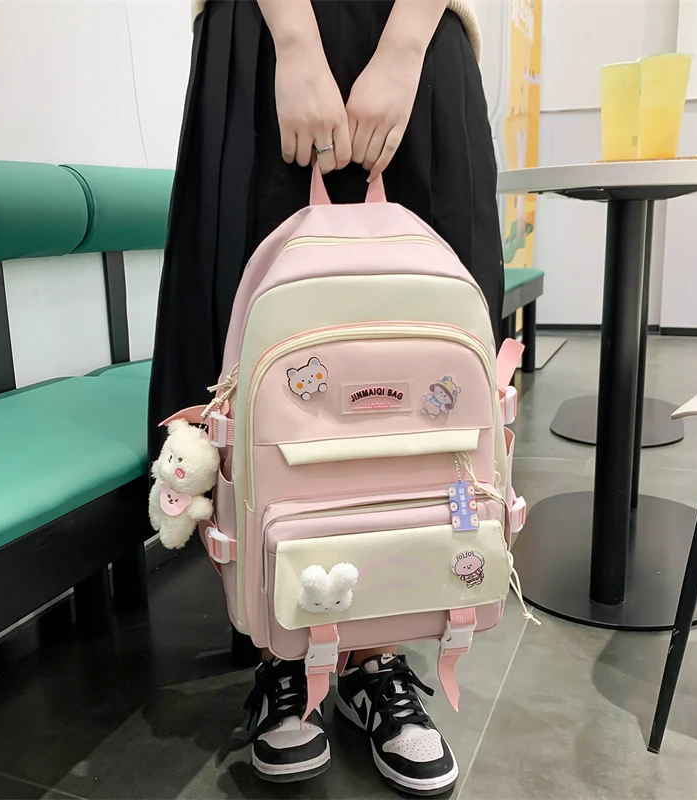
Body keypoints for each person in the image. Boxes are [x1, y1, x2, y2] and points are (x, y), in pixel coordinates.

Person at [148, 0, 503, 794]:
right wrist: (294, 38)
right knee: (256, 379)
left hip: (421, 36)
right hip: (267, 29)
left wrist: (405, 43)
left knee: (422, 385)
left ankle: (380, 650)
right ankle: (283, 651)